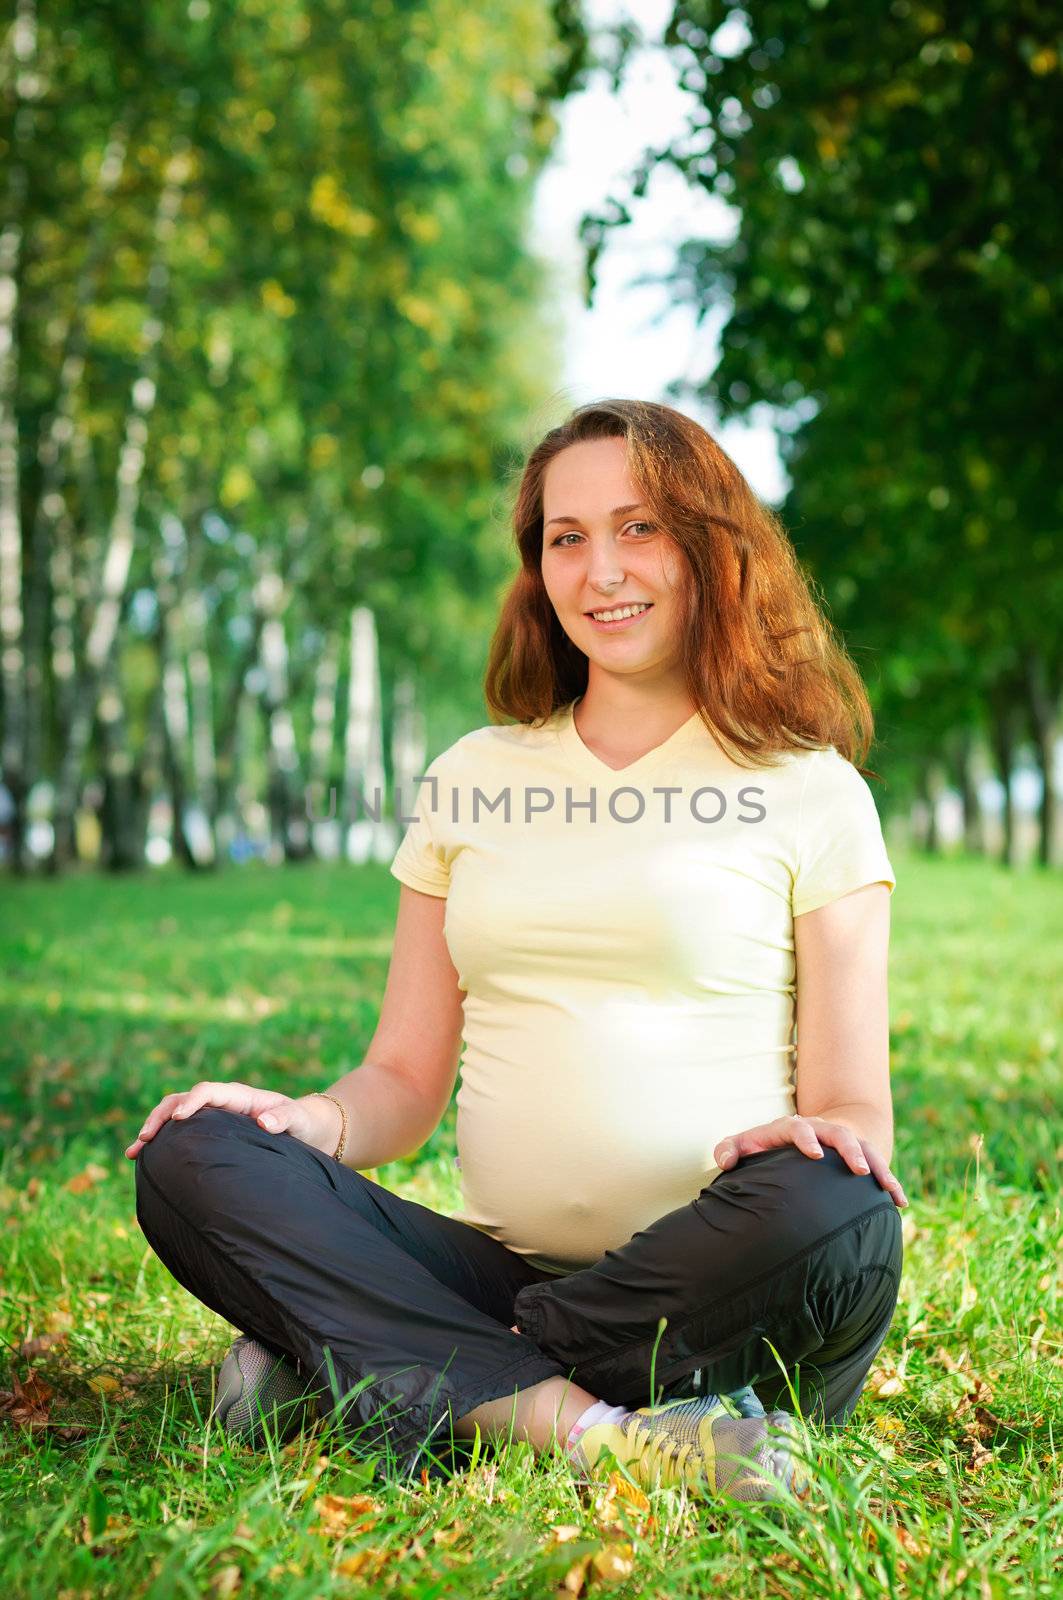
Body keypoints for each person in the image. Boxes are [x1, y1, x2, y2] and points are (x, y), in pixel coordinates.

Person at [128, 399, 907, 1504]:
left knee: (842, 1208)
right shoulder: (472, 777)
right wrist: (312, 1123)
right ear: (537, 567)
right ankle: (600, 1431)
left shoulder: (812, 789)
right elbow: (400, 1078)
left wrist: (818, 1136)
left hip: (722, 1285)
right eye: (566, 537)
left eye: (639, 528)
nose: (602, 570)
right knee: (195, 1150)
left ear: (709, 547)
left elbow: (855, 1111)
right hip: (511, 1263)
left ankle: (366, 1362)